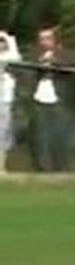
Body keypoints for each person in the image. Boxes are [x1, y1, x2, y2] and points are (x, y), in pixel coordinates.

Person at [29, 26, 75, 172]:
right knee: (41, 136)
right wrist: (40, 62)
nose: (44, 42)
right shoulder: (35, 55)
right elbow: (27, 72)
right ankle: (44, 168)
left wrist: (54, 60)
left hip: (60, 100)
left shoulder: (65, 54)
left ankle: (62, 167)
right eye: (41, 39)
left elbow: (71, 66)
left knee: (60, 135)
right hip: (40, 99)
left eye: (48, 38)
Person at [0, 30, 21, 173]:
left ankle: (1, 166)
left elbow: (16, 57)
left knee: (3, 132)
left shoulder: (9, 57)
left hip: (5, 99)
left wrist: (8, 37)